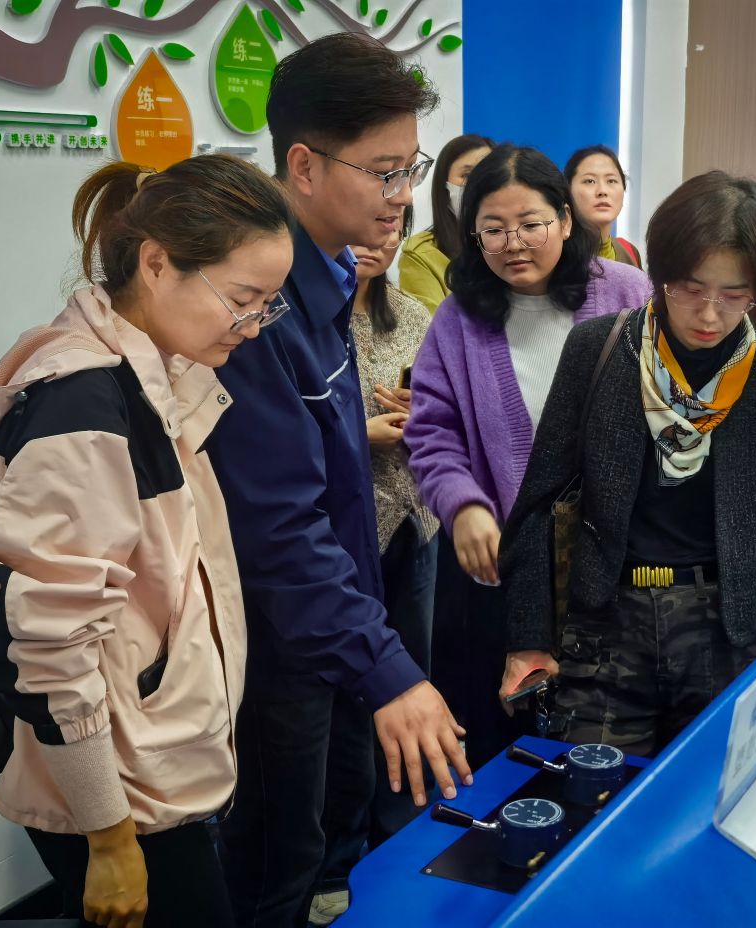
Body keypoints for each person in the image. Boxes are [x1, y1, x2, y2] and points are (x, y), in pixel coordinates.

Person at [0, 154, 296, 928]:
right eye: (243, 299)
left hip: (147, 765)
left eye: (268, 305)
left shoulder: (151, 378)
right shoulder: (83, 407)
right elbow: (49, 647)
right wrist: (109, 838)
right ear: (157, 263)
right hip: (119, 800)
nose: (253, 326)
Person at [212, 34, 472, 928]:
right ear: (304, 166)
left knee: (333, 848)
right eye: (385, 172)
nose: (402, 194)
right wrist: (386, 669)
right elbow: (280, 532)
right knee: (276, 873)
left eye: (410, 169)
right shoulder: (260, 309)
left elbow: (338, 485)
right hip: (279, 648)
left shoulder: (323, 283)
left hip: (330, 634)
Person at [498, 172, 756, 756]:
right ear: (661, 276)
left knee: (704, 795)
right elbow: (538, 502)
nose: (710, 314)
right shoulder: (599, 349)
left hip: (730, 630)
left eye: (735, 294)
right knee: (595, 794)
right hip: (607, 623)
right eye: (691, 289)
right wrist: (527, 637)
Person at [406, 145, 653, 765]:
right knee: (509, 741)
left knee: (609, 735)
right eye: (493, 229)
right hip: (506, 567)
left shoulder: (626, 292)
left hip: (619, 560)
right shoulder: (458, 319)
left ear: (566, 220)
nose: (513, 243)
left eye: (531, 224)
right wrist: (462, 505)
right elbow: (432, 431)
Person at [303, 209, 436, 928]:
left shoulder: (413, 315)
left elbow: (447, 415)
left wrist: (424, 413)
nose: (377, 243)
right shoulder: (303, 320)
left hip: (415, 522)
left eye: (392, 230)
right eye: (364, 230)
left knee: (410, 682)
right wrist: (365, 432)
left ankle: (398, 847)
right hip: (342, 534)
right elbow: (303, 434)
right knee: (350, 698)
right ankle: (338, 862)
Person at [399, 133, 493, 310]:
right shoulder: (421, 255)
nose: (478, 184)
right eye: (467, 175)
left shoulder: (513, 244)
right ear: (445, 186)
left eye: (487, 175)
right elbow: (429, 325)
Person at [565, 144, 643, 269]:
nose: (602, 191)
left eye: (611, 181)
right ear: (568, 191)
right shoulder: (555, 255)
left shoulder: (630, 252)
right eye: (589, 181)